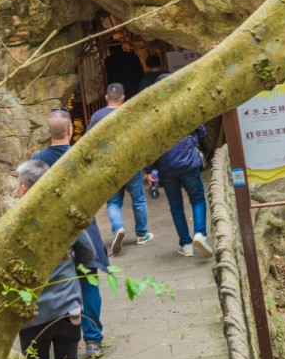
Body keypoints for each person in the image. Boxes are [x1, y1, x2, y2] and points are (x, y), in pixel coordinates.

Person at [16, 159, 95, 359]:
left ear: (25, 189)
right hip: (67, 312)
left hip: (32, 317)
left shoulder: (13, 226)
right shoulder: (64, 218)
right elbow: (88, 255)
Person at [31, 108, 110, 359]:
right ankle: (93, 339)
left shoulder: (37, 161)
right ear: (71, 129)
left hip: (54, 237)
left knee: (59, 286)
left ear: (47, 131)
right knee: (89, 284)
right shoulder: (84, 157)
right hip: (86, 230)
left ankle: (63, 339)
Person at [146, 83, 212, 258]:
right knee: (197, 199)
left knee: (176, 206)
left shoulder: (152, 113)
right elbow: (202, 131)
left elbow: (149, 145)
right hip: (188, 162)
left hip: (166, 166)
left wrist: (150, 169)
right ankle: (200, 234)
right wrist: (193, 142)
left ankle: (186, 244)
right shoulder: (185, 105)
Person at [87, 83, 153, 254]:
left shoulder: (96, 117)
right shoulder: (130, 113)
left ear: (106, 98)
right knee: (138, 199)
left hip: (108, 167)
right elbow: (141, 141)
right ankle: (142, 235)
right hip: (131, 164)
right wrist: (147, 168)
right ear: (123, 97)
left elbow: (88, 144)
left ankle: (118, 228)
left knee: (114, 202)